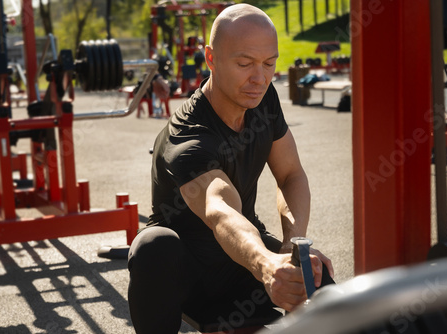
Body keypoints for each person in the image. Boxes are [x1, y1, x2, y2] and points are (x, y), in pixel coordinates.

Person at [127, 4, 335, 333]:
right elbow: (219, 207)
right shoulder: (188, 133)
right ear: (210, 58)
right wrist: (267, 265)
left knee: (317, 276)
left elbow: (290, 174)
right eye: (244, 63)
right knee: (154, 246)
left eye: (269, 64)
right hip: (187, 276)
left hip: (240, 268)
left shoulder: (263, 100)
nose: (260, 77)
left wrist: (289, 250)